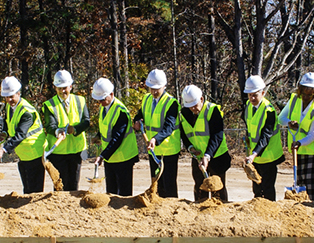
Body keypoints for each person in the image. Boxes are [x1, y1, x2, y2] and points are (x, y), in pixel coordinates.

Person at [279, 72, 314, 201]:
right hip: (298, 150)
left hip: (313, 151)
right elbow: (281, 118)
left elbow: (312, 134)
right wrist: (288, 122)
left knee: (312, 182)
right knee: (299, 181)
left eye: (310, 93)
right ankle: (300, 207)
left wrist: (300, 142)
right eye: (304, 91)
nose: (306, 95)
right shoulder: (294, 100)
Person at [0, 76, 47, 193]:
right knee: (27, 189)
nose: (9, 100)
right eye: (6, 97)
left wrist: (4, 149)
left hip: (33, 153)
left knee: (34, 191)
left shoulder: (27, 112)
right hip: (24, 155)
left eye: (11, 96)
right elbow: (8, 122)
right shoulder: (11, 107)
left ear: (18, 93)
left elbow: (20, 134)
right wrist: (4, 133)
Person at [41, 69, 89, 192]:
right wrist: (57, 132)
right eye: (59, 88)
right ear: (55, 87)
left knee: (73, 186)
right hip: (58, 153)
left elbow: (86, 121)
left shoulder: (80, 101)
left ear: (71, 86)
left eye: (65, 88)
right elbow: (50, 126)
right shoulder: (49, 105)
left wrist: (76, 129)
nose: (63, 91)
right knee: (60, 186)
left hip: (76, 151)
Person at [180, 85, 230, 202]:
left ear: (201, 99)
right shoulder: (184, 114)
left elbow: (216, 136)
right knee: (200, 187)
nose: (193, 109)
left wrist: (207, 156)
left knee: (217, 188)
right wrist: (191, 148)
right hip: (198, 157)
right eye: (190, 107)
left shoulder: (212, 110)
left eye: (195, 105)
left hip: (217, 156)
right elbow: (184, 134)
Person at [135, 69, 181, 198]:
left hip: (168, 151)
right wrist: (137, 121)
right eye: (152, 88)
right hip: (153, 150)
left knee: (169, 186)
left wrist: (155, 139)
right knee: (156, 184)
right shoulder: (146, 99)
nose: (154, 92)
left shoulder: (171, 103)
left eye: (157, 89)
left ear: (164, 86)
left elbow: (168, 128)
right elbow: (140, 114)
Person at [92, 78, 137, 196]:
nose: (100, 102)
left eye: (102, 99)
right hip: (110, 158)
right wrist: (98, 136)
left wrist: (102, 156)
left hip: (124, 158)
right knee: (111, 193)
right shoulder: (104, 107)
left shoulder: (121, 111)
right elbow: (106, 126)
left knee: (123, 194)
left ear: (111, 94)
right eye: (99, 100)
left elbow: (117, 138)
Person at [243, 75, 285, 201]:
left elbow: (266, 136)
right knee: (256, 189)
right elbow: (249, 126)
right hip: (255, 157)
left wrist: (254, 154)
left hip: (269, 156)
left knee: (267, 188)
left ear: (263, 92)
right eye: (250, 95)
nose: (252, 98)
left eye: (255, 95)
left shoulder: (269, 111)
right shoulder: (248, 106)